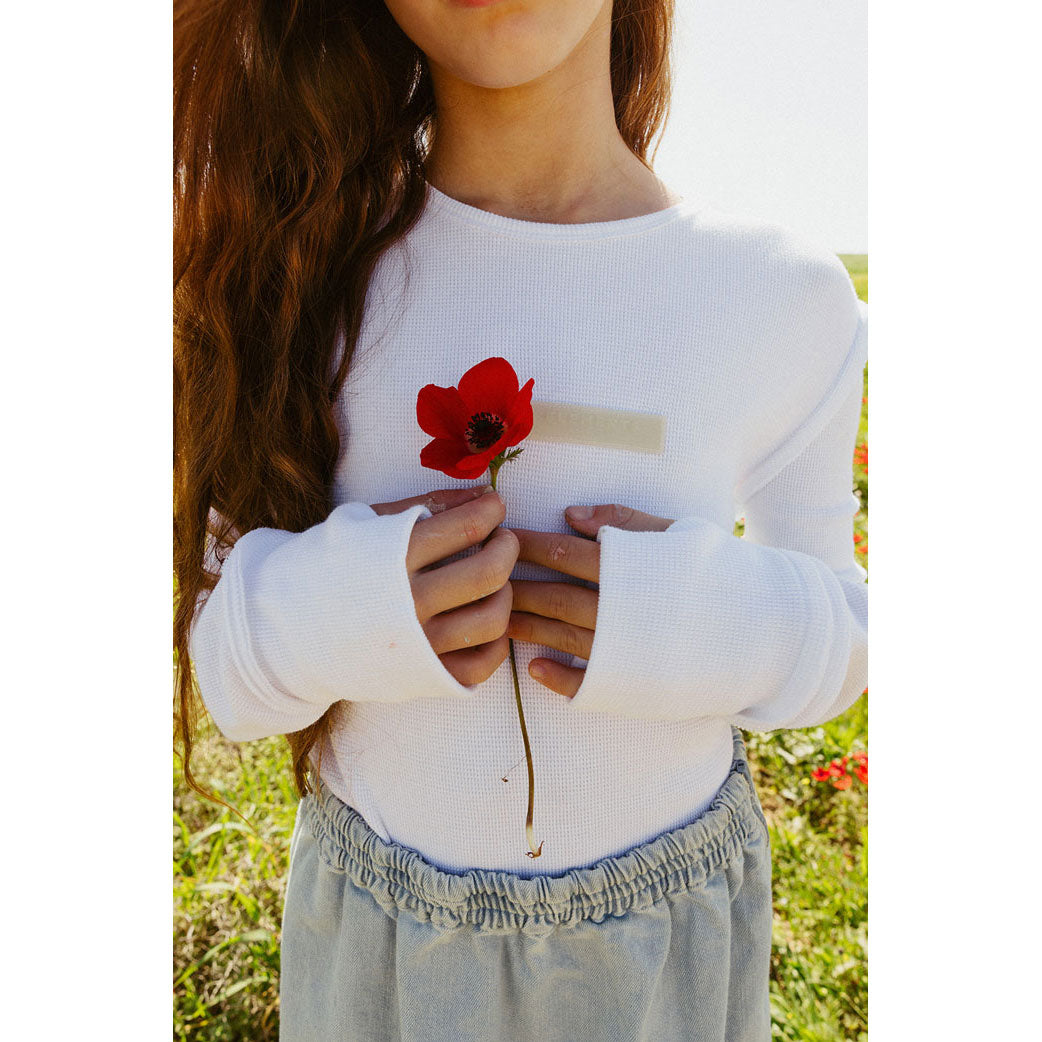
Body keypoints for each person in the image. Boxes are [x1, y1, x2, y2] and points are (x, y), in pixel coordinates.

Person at [173, 1, 868, 1039]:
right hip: (385, 959)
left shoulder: (781, 296)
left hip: (660, 961)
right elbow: (221, 659)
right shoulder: (299, 269)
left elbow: (846, 634)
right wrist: (348, 603)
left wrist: (707, 619)